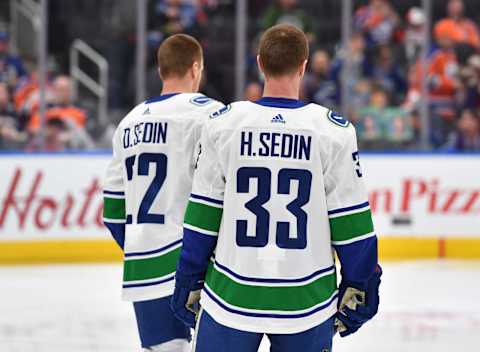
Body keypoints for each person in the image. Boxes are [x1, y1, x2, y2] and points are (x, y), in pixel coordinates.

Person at [171, 24, 381, 352]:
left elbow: (202, 214)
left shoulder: (223, 125)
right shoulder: (332, 132)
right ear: (303, 66)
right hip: (306, 302)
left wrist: (188, 276)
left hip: (231, 297)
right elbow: (351, 225)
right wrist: (362, 284)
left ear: (259, 63)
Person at [102, 34, 224, 351]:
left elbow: (114, 212)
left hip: (143, 266)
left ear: (160, 71)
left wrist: (141, 248)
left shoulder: (127, 124)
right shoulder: (210, 113)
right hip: (196, 264)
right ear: (196, 68)